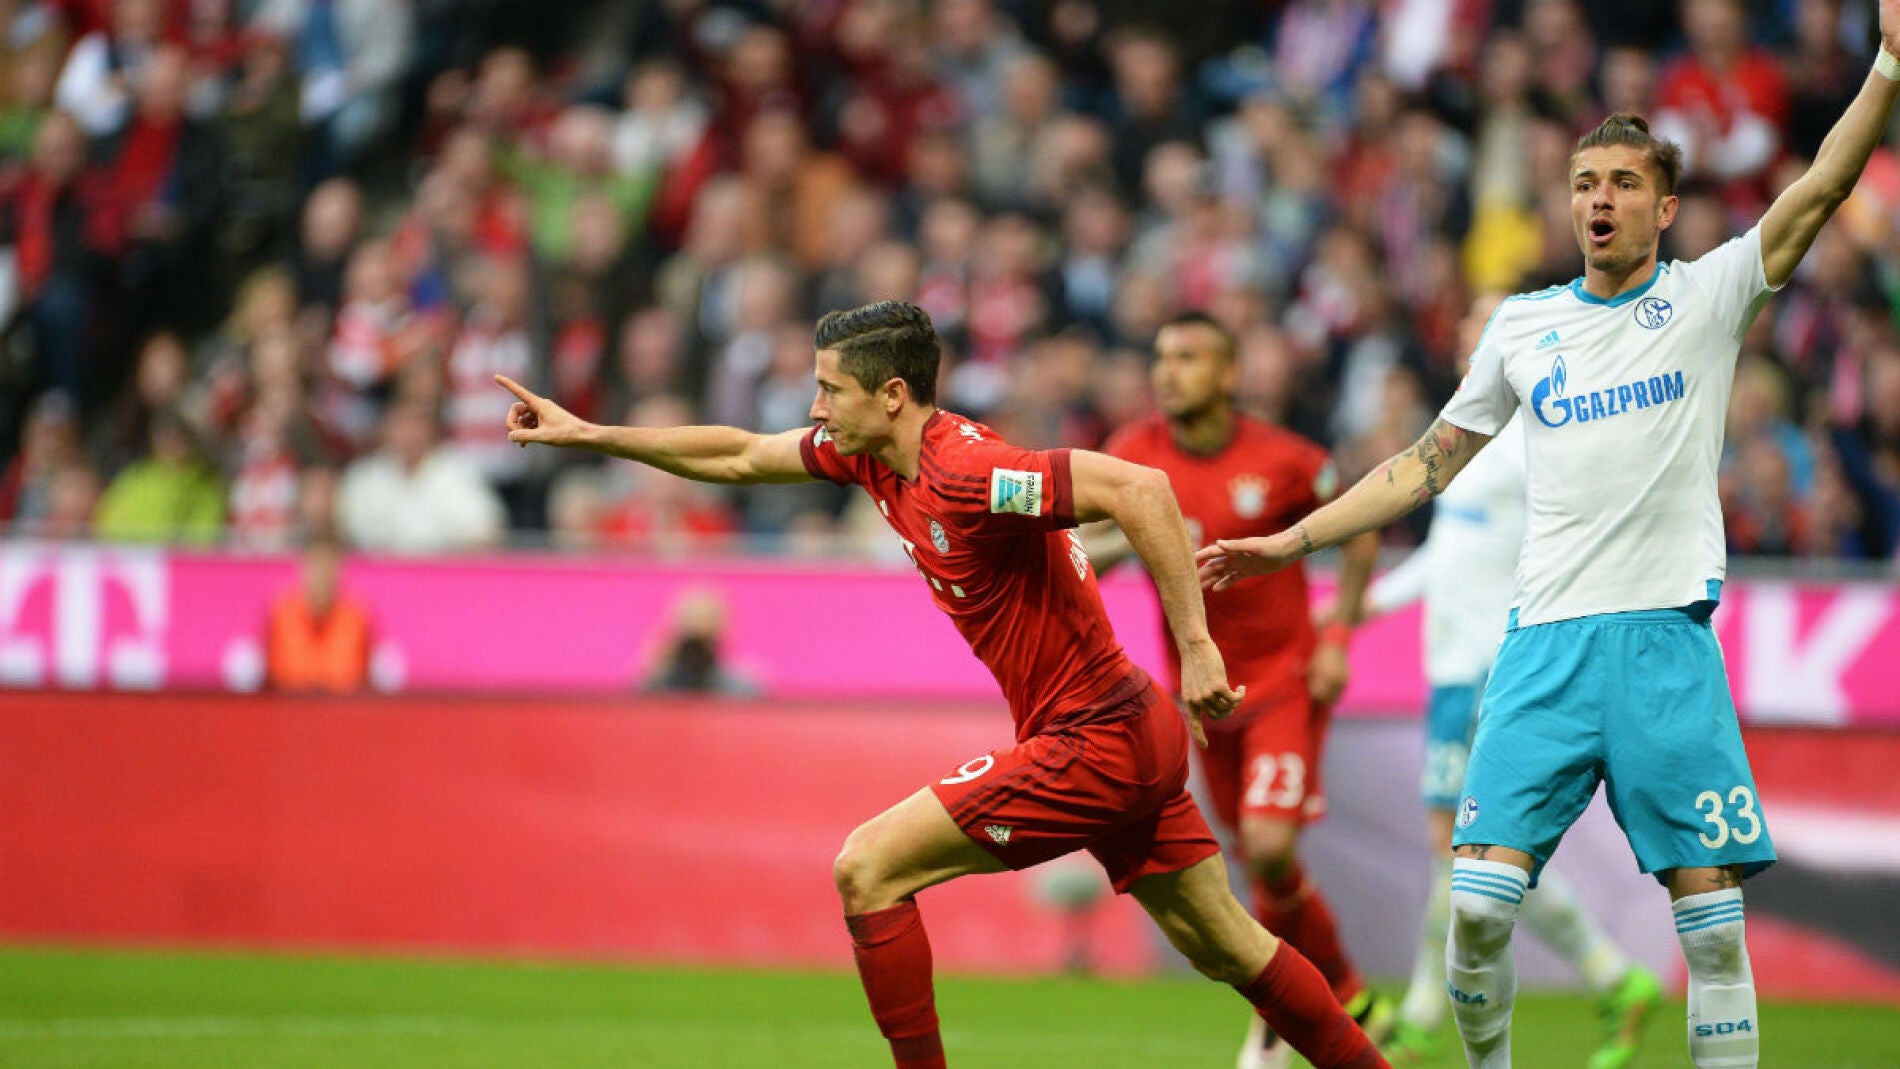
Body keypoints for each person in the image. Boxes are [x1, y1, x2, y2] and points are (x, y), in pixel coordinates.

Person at [1198, 10, 1900, 1057]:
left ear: (1663, 206)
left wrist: (1888, 65)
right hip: (1541, 651)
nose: (1598, 200)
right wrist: (1289, 543)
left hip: (1664, 645)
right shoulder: (1522, 328)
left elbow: (1818, 191)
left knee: (1708, 926)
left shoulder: (1706, 298)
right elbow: (1422, 464)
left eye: (1620, 183)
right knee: (1477, 907)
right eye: (1583, 184)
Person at [497, 299, 1389, 1069]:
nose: (814, 407)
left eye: (829, 390)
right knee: (1233, 948)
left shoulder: (968, 472)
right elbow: (736, 453)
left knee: (868, 867)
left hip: (1095, 738)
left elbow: (1143, 488)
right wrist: (589, 433)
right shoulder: (869, 455)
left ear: (891, 394)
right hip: (1120, 727)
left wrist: (1196, 646)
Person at [1354, 295, 1661, 1068]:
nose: (1471, 334)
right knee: (1462, 853)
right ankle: (1612, 977)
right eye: (1467, 323)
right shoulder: (1471, 431)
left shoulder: (1539, 438)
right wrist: (1370, 603)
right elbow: (1452, 547)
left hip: (1494, 666)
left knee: (1464, 851)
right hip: (1451, 670)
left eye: (1486, 322)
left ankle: (1437, 1007)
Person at [1090, 310, 1390, 1069]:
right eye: (1161, 355)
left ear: (1227, 375)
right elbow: (1102, 539)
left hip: (1285, 680)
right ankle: (1348, 994)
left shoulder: (1285, 458)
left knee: (1268, 844)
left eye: (1188, 356)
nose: (1168, 370)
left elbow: (1361, 527)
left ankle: (1280, 1016)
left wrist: (1338, 635)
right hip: (1205, 696)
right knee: (1258, 863)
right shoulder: (1134, 454)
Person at [265, 534, 373, 694]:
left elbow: (362, 680)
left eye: (328, 567)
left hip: (341, 713)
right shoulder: (281, 615)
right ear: (303, 569)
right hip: (289, 712)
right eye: (316, 566)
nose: (322, 576)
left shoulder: (357, 617)